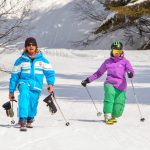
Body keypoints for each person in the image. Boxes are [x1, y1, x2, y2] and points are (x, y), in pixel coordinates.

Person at [81, 41, 134, 125]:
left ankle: (113, 115)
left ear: (122, 52)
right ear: (111, 51)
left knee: (118, 111)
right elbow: (98, 73)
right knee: (109, 94)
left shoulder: (125, 62)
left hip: (121, 86)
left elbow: (130, 70)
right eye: (114, 52)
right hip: (110, 83)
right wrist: (88, 80)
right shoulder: (107, 62)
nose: (116, 54)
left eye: (118, 52)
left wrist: (130, 73)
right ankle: (107, 115)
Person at [9, 37, 55, 131]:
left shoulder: (43, 60)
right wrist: (11, 91)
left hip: (37, 86)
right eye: (28, 45)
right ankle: (22, 119)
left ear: (36, 47)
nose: (31, 46)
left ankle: (30, 118)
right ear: (26, 47)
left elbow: (50, 73)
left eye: (33, 44)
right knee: (24, 96)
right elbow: (14, 77)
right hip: (24, 83)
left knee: (33, 103)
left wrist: (50, 84)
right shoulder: (20, 60)